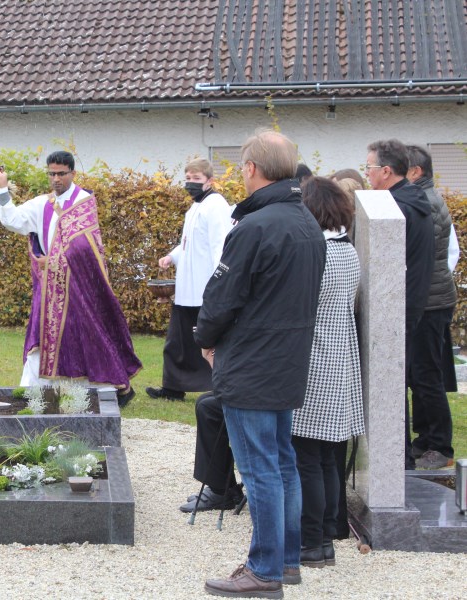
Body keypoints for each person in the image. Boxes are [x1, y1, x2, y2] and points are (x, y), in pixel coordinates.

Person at [196, 130, 326, 597]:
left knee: (259, 470)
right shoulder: (307, 222)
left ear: (251, 168)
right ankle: (286, 559)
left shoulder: (255, 226)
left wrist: (206, 338)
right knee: (283, 464)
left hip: (252, 361)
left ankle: (266, 569)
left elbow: (222, 297)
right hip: (287, 359)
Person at [0, 152, 141, 406]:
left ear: (73, 173)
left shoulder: (84, 202)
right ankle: (35, 397)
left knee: (89, 336)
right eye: (51, 173)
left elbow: (84, 250)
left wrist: (51, 261)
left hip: (80, 287)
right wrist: (2, 187)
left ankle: (100, 393)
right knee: (41, 340)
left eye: (61, 173)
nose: (56, 178)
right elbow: (13, 220)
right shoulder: (42, 204)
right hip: (50, 290)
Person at [292, 177, 364, 568]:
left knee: (308, 457)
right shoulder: (346, 248)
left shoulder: (318, 251)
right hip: (338, 356)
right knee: (324, 457)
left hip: (316, 358)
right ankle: (326, 538)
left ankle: (312, 542)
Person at [364, 139, 434, 470]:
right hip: (405, 305)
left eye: (370, 167)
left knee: (389, 389)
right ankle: (396, 458)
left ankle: (395, 461)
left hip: (393, 309)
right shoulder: (413, 201)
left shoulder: (396, 208)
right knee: (393, 386)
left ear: (386, 171)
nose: (367, 173)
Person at [147, 159, 231, 402]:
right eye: (188, 178)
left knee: (208, 341)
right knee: (178, 340)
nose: (190, 183)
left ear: (210, 181)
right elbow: (188, 243)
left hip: (205, 288)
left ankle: (218, 386)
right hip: (187, 289)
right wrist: (171, 257)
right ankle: (173, 387)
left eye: (196, 179)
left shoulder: (216, 206)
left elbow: (220, 246)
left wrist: (219, 282)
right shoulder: (195, 207)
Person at [405, 145, 457, 469]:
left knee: (426, 374)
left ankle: (440, 445)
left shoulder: (423, 202)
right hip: (432, 297)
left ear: (416, 172)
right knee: (420, 372)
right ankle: (424, 440)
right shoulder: (427, 198)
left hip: (430, 301)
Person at [177, 391, 244, 513]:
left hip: (266, 398)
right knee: (204, 400)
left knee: (208, 408)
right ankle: (228, 486)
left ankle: (220, 490)